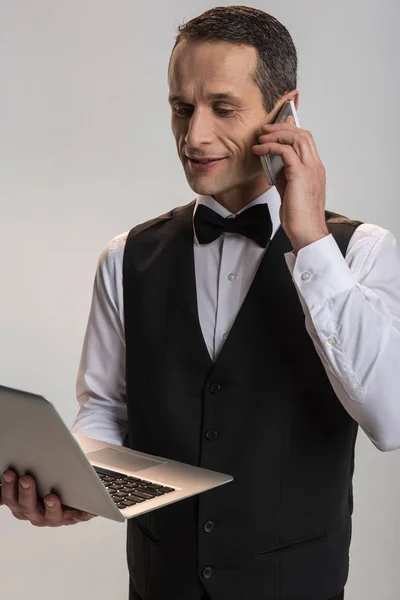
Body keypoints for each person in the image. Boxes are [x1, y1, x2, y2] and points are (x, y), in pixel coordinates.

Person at [2, 5, 400, 600]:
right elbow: (106, 408)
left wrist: (311, 240)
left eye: (223, 107)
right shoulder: (124, 256)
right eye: (181, 108)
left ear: (285, 111)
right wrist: (74, 485)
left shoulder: (363, 253)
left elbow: (390, 416)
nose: (194, 137)